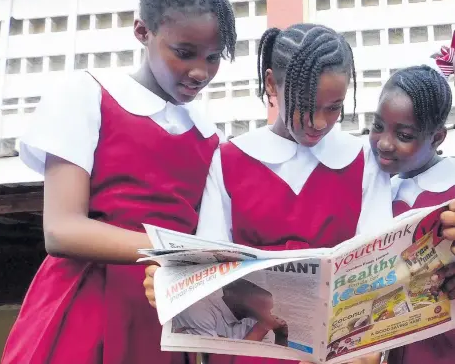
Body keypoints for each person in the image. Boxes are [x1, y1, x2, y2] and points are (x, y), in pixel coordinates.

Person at [1, 0, 236, 364]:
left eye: (213, 57)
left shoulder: (210, 137)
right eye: (184, 51)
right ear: (142, 31)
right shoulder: (87, 93)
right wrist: (177, 252)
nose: (200, 71)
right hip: (85, 307)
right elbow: (61, 229)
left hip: (159, 317)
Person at [147, 23, 392, 364]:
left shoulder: (364, 160)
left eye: (334, 107)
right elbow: (210, 266)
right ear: (273, 84)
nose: (319, 122)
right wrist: (174, 285)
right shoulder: (230, 159)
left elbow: (379, 270)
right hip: (250, 351)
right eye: (306, 105)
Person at [369, 65, 455, 364]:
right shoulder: (373, 186)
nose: (384, 143)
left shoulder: (451, 188)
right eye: (377, 125)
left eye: (404, 135)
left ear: (437, 138)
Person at [173, 279, 288, 346]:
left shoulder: (255, 319)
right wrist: (258, 331)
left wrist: (281, 337)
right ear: (229, 291)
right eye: (254, 289)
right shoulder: (198, 310)